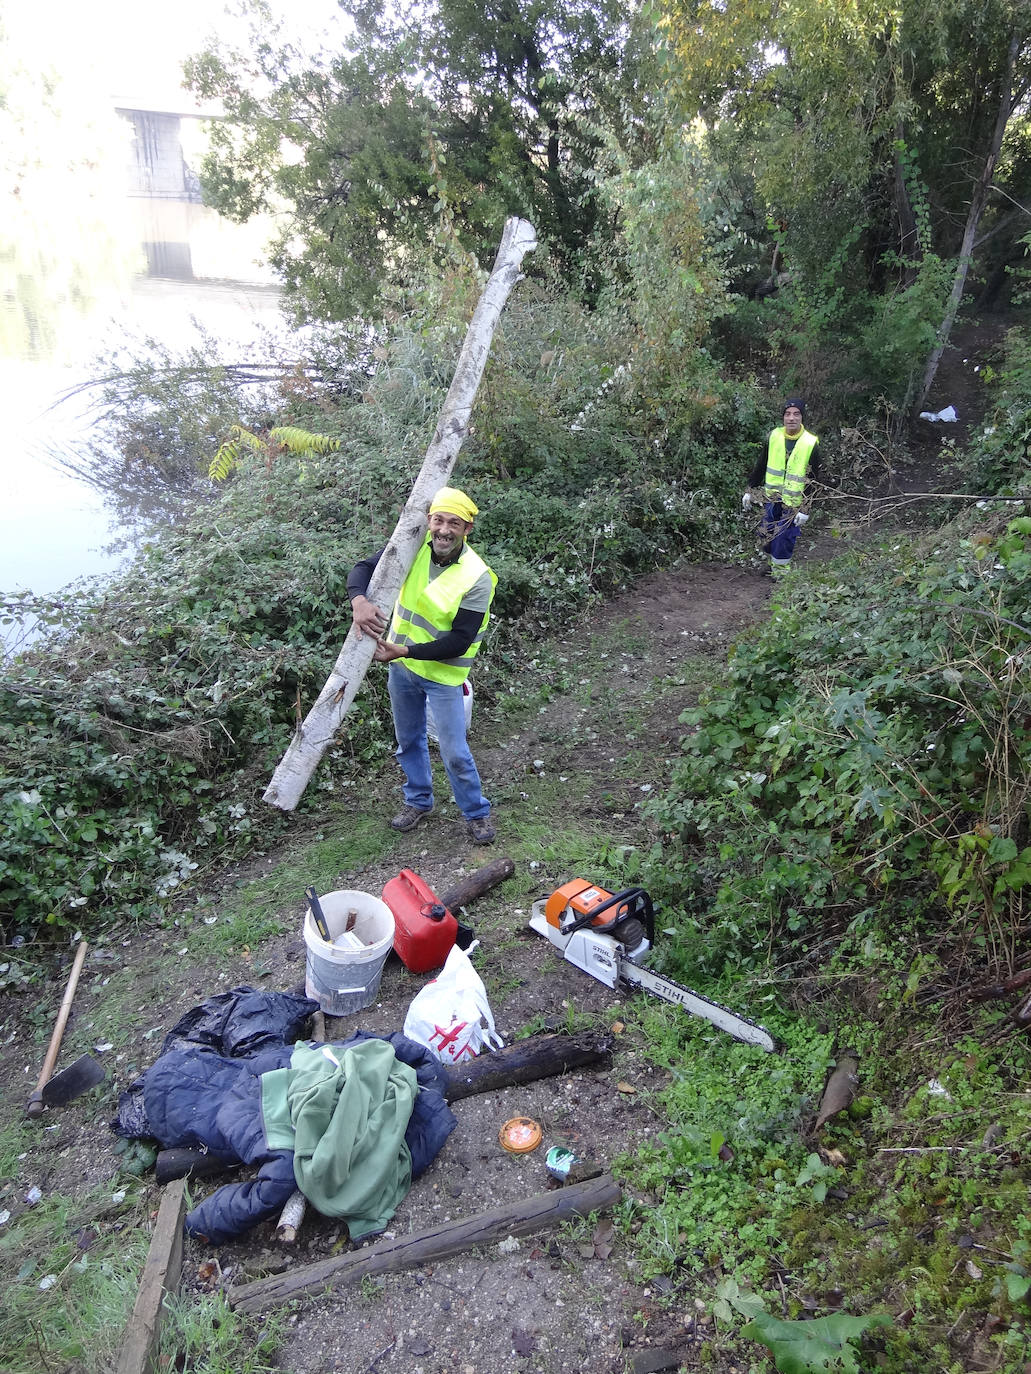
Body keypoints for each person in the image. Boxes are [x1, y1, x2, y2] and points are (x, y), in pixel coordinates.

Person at [347, 487, 497, 845]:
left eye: (454, 524)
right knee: (408, 741)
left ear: (467, 529)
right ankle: (418, 801)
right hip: (402, 672)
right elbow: (364, 568)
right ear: (429, 521)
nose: (444, 530)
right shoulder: (412, 549)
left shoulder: (478, 577)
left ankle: (476, 813)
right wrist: (359, 601)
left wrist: (404, 651)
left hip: (443, 676)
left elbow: (460, 640)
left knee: (454, 751)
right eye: (439, 520)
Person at [742, 398, 821, 576]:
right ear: (783, 417)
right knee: (767, 532)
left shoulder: (810, 443)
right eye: (787, 414)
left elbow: (814, 479)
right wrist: (750, 489)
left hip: (794, 502)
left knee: (784, 537)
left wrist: (805, 509)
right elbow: (761, 465)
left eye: (796, 414)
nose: (791, 418)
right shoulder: (774, 436)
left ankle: (781, 573)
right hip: (772, 497)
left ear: (802, 417)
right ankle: (773, 564)